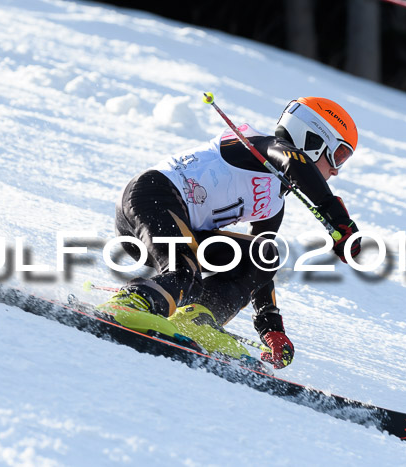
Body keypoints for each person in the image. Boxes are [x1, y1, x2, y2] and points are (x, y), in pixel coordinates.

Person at [98, 97, 362, 368]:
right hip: (150, 199)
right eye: (339, 155)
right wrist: (338, 219)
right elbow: (294, 163)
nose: (336, 170)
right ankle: (130, 303)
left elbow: (259, 270)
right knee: (184, 274)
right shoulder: (256, 144)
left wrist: (271, 326)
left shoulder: (274, 203)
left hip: (181, 232)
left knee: (264, 253)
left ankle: (196, 320)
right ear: (313, 140)